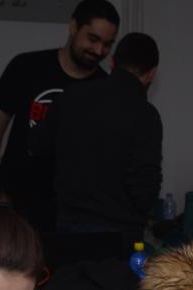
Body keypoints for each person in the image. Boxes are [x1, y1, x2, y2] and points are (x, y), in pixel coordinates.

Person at [0, 0, 119, 230]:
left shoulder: (105, 88)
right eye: (92, 39)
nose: (99, 50)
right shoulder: (27, 66)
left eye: (108, 44)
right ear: (73, 26)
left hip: (70, 213)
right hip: (14, 201)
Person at [38, 32, 162, 235]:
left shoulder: (71, 96)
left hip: (68, 231)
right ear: (151, 73)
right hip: (120, 236)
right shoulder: (146, 115)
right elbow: (145, 191)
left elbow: (39, 147)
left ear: (112, 62)